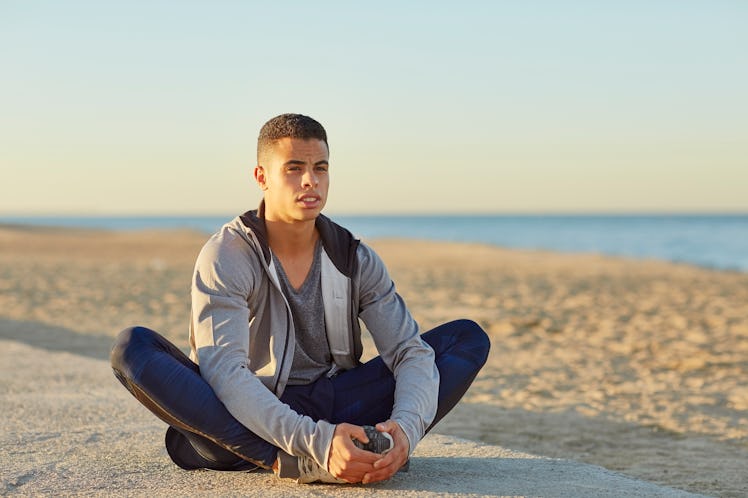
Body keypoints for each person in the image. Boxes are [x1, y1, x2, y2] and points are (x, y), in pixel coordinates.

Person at [110, 113, 490, 484]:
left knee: (466, 338)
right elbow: (225, 372)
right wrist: (318, 444)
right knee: (134, 348)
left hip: (338, 402)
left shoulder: (353, 258)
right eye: (294, 168)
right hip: (249, 413)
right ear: (262, 177)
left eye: (321, 168)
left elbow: (408, 352)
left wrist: (406, 432)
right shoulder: (228, 254)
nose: (311, 180)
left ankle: (365, 450)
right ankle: (284, 460)